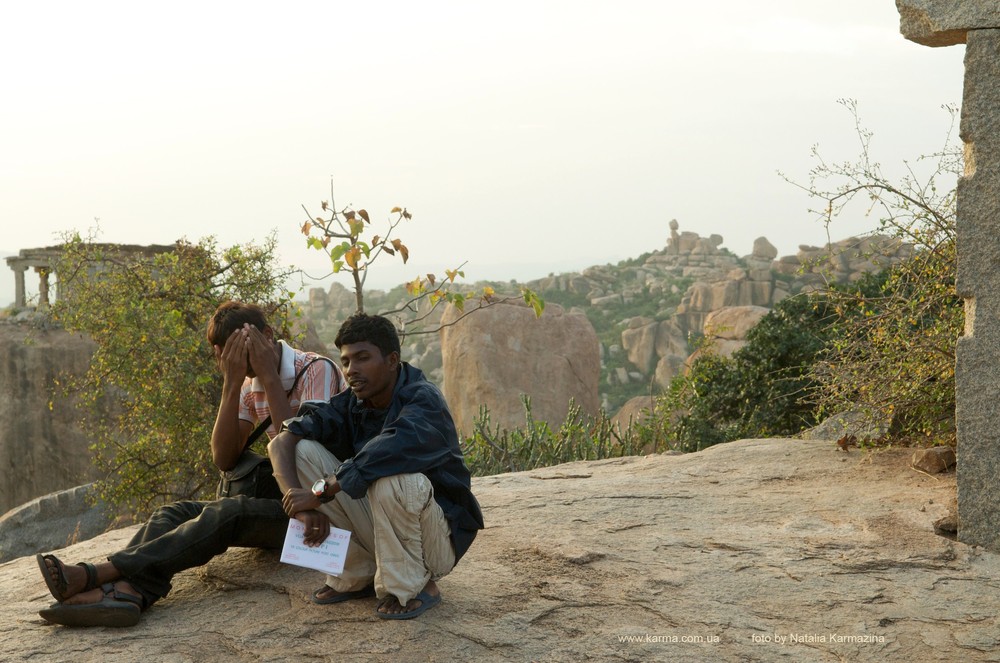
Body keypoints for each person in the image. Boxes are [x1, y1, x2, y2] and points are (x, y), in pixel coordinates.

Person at [36, 301, 346, 627]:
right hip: (283, 501)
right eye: (231, 354)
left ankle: (100, 574)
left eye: (247, 347)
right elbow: (224, 459)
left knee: (228, 512)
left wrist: (269, 376)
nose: (243, 359)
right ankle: (130, 592)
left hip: (322, 511)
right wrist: (231, 383)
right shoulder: (245, 385)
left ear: (268, 335)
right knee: (173, 513)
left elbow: (300, 452)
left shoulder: (316, 370)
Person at [269, 312, 484, 620]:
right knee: (301, 449)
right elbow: (281, 443)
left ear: (392, 359)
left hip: (435, 543)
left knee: (393, 477)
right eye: (345, 361)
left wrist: (318, 492)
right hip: (385, 527)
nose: (351, 370)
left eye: (362, 358)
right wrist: (298, 503)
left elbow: (390, 449)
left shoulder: (423, 399)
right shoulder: (354, 403)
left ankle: (412, 586)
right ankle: (357, 575)